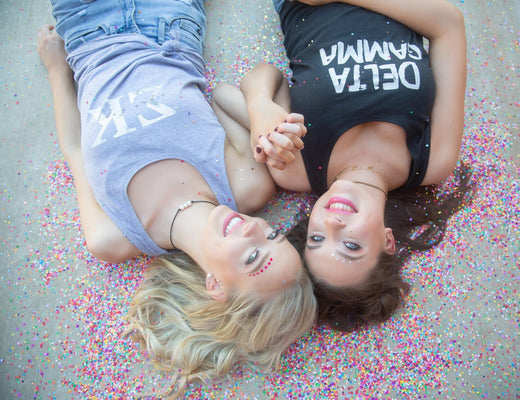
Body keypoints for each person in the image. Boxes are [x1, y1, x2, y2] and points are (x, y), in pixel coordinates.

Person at [37, 1, 316, 397]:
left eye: (253, 256)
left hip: (87, 34)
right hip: (170, 23)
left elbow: (74, 148)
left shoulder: (113, 237)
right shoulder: (248, 184)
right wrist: (266, 120)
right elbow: (221, 96)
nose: (255, 229)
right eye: (273, 236)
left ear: (216, 286)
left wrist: (56, 72)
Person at [215, 0, 473, 332]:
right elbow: (448, 25)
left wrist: (260, 108)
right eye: (351, 246)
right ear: (387, 241)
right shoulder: (432, 162)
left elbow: (228, 93)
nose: (334, 223)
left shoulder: (295, 167)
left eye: (318, 238)